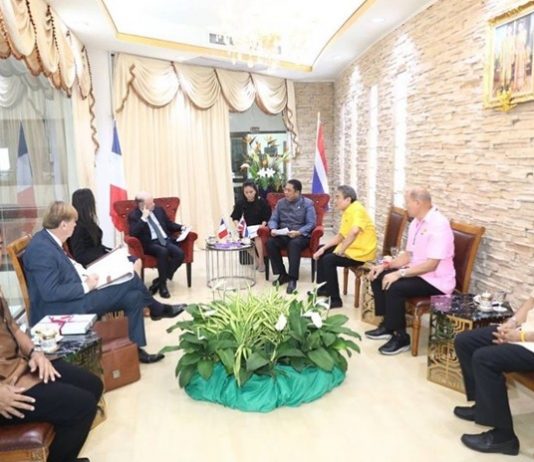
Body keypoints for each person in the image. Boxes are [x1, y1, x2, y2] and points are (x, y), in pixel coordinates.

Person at [23, 201, 185, 364]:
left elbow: (65, 270)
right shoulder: (41, 250)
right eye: (73, 221)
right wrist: (86, 286)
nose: (75, 225)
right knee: (130, 280)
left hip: (74, 295)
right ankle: (157, 308)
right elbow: (50, 292)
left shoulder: (49, 240)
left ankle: (135, 349)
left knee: (134, 297)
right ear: (63, 225)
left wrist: (89, 276)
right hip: (63, 308)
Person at [0, 294, 102, 462]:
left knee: (93, 385)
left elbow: (14, 329)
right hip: (6, 388)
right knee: (83, 406)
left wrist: (35, 353)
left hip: (20, 366)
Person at [365, 187, 455, 355]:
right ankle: (388, 325)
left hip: (436, 281)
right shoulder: (415, 223)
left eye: (408, 203)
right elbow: (408, 255)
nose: (406, 206)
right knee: (379, 276)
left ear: (418, 203)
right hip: (418, 273)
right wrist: (386, 266)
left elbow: (431, 265)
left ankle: (401, 338)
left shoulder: (439, 224)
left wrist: (399, 273)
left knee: (395, 287)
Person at [453, 290, 534, 456]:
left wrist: (520, 337)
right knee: (465, 341)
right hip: (523, 334)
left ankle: (504, 438)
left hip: (528, 342)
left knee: (484, 359)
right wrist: (511, 323)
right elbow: (531, 302)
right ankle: (482, 406)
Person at [313, 185, 377, 308]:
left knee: (329, 260)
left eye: (338, 197)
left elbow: (354, 231)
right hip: (352, 248)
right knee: (321, 250)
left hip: (361, 253)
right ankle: (324, 288)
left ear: (348, 199)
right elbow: (341, 235)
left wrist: (341, 250)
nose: (335, 200)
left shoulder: (357, 209)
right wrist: (323, 248)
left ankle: (335, 300)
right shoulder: (348, 211)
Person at [69, 188, 142, 276]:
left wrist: (111, 250)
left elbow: (96, 246)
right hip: (94, 263)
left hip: (100, 258)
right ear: (87, 204)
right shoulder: (76, 227)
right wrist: (105, 256)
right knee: (134, 262)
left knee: (135, 261)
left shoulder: (88, 222)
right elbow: (80, 255)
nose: (95, 203)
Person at [128, 192, 185, 298]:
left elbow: (168, 224)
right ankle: (163, 286)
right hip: (150, 243)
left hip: (165, 240)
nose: (154, 204)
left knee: (179, 254)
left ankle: (158, 281)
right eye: (151, 203)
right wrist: (143, 218)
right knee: (163, 251)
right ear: (142, 205)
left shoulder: (159, 210)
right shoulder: (134, 215)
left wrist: (181, 227)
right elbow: (133, 233)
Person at [267, 179, 316, 294]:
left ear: (297, 192)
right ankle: (282, 274)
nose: (285, 192)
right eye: (285, 190)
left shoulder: (307, 204)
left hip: (300, 235)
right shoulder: (281, 203)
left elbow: (311, 223)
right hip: (284, 233)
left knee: (293, 244)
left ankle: (292, 278)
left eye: (289, 190)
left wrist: (298, 232)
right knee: (270, 242)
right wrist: (273, 228)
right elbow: (273, 219)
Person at [230, 181, 271, 272]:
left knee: (257, 236)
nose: (249, 194)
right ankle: (256, 260)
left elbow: (266, 217)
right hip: (246, 229)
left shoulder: (261, 202)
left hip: (259, 228)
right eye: (246, 192)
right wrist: (237, 225)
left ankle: (261, 262)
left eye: (251, 192)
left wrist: (262, 225)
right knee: (243, 240)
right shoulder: (240, 203)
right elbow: (235, 217)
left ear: (255, 191)